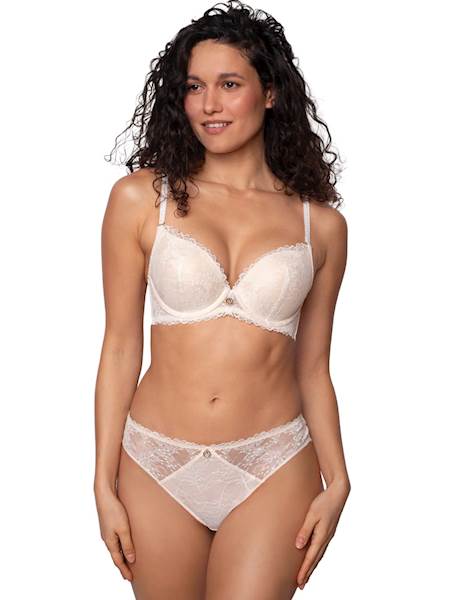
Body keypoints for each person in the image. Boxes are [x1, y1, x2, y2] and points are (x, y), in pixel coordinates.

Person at [93, 1, 350, 598]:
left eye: (230, 84)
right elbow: (120, 346)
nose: (209, 104)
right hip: (155, 461)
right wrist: (102, 482)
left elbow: (313, 367)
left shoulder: (320, 226)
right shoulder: (140, 199)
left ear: (270, 93)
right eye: (194, 86)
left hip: (274, 461)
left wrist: (338, 480)